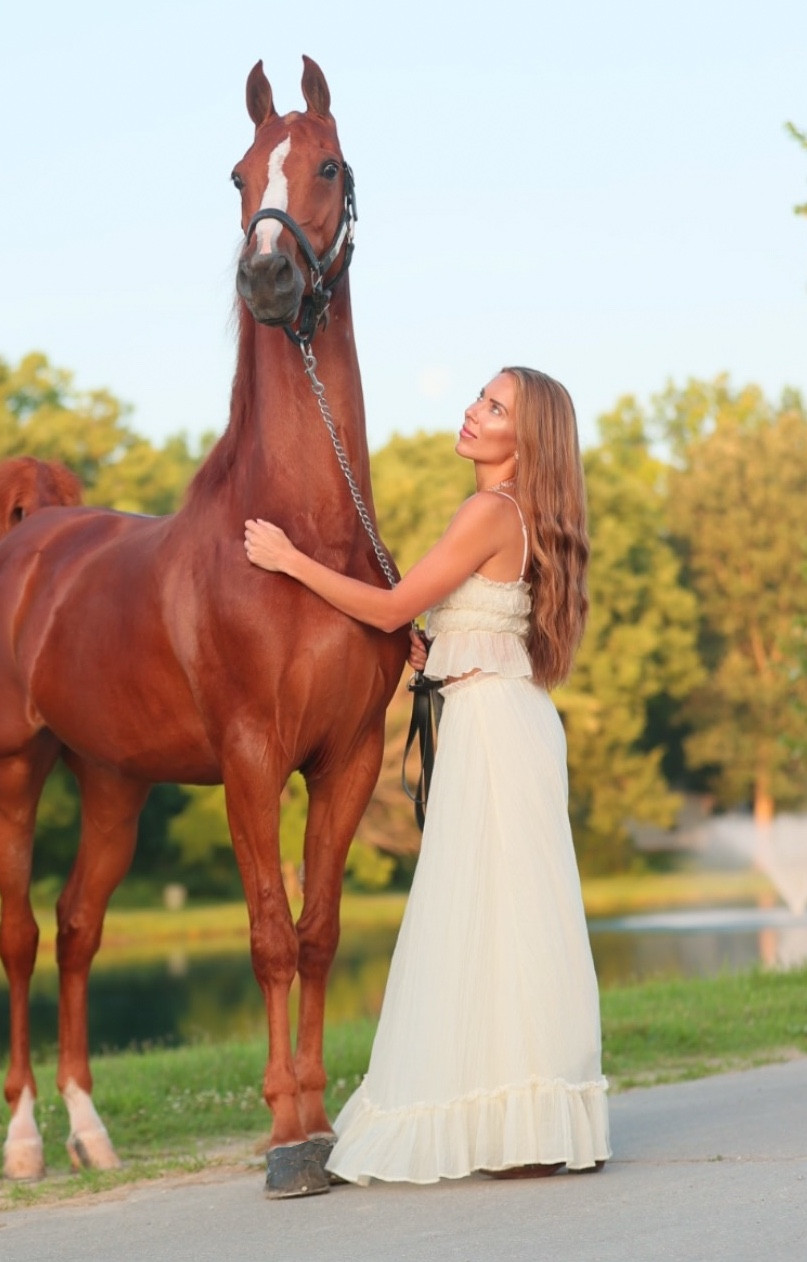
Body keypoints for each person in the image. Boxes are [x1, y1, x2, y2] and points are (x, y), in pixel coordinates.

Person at [243, 365, 610, 1184]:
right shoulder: (520, 513)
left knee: (485, 911)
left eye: (494, 407)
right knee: (506, 915)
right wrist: (435, 649)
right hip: (502, 720)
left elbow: (387, 605)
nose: (473, 413)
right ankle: (525, 1120)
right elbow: (474, 621)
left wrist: (289, 559)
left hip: (490, 731)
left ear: (528, 437)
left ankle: (512, 1118)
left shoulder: (489, 510)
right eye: (479, 398)